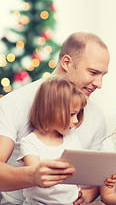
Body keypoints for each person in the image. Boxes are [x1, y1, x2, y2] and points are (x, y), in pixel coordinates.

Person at [0, 32, 110, 204]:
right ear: (66, 62)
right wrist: (33, 175)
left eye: (103, 75)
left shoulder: (96, 117)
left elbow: (93, 176)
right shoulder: (13, 104)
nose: (99, 84)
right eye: (93, 72)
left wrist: (87, 196)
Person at [18, 76, 87, 204]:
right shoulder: (30, 143)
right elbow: (37, 176)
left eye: (77, 114)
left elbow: (81, 178)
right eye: (72, 114)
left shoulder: (72, 138)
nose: (76, 120)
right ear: (51, 110)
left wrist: (101, 179)